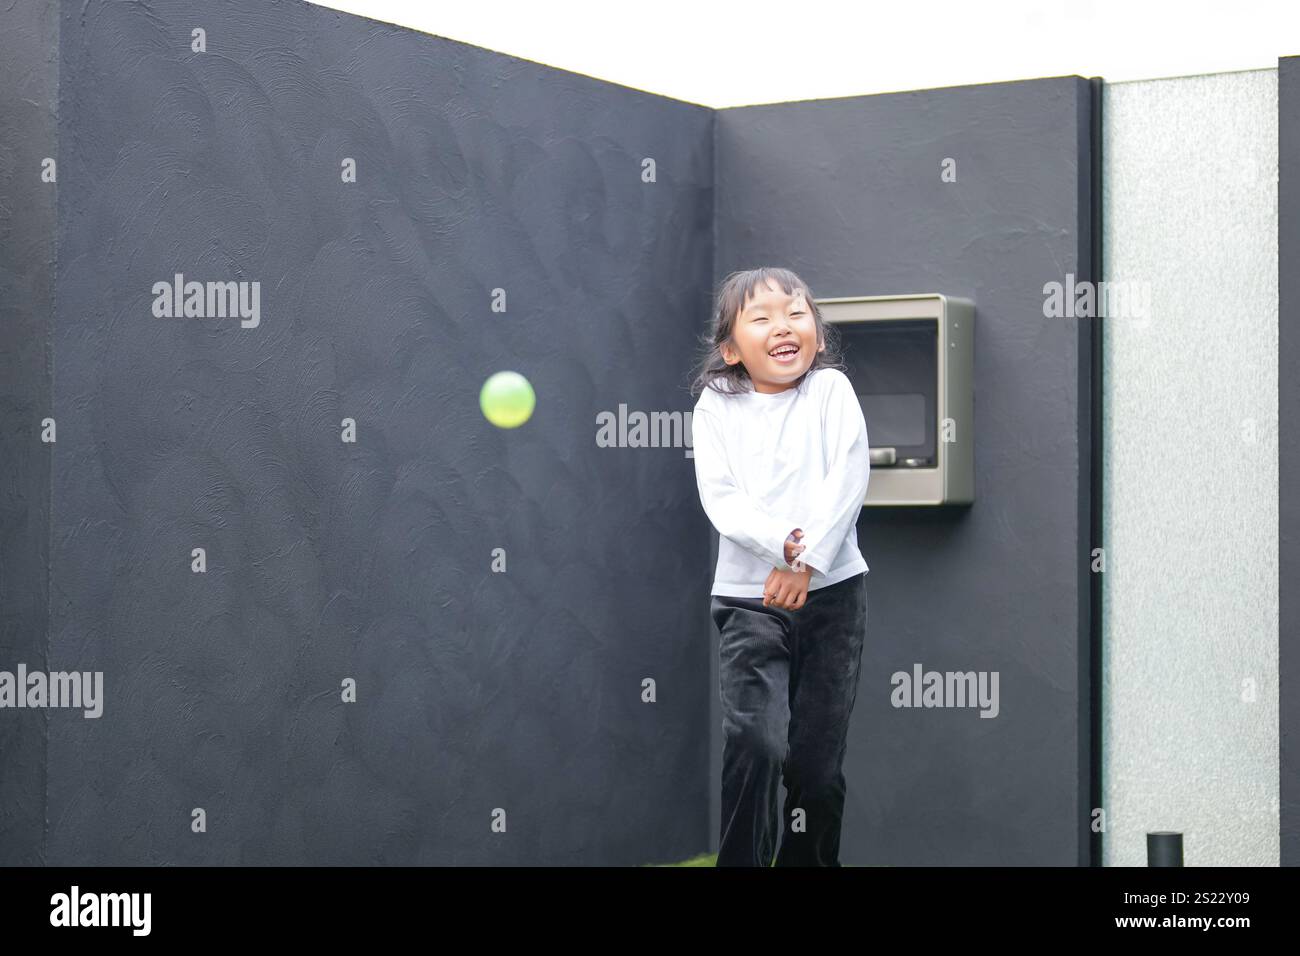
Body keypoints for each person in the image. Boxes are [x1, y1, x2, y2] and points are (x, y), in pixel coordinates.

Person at [688, 266, 871, 867]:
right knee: (756, 744)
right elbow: (722, 498)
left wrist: (809, 562)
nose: (783, 326)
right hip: (748, 602)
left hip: (833, 599)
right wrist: (784, 549)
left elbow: (847, 479)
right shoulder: (717, 404)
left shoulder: (832, 391)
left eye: (795, 313)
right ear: (730, 348)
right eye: (761, 318)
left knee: (816, 770)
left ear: (816, 330)